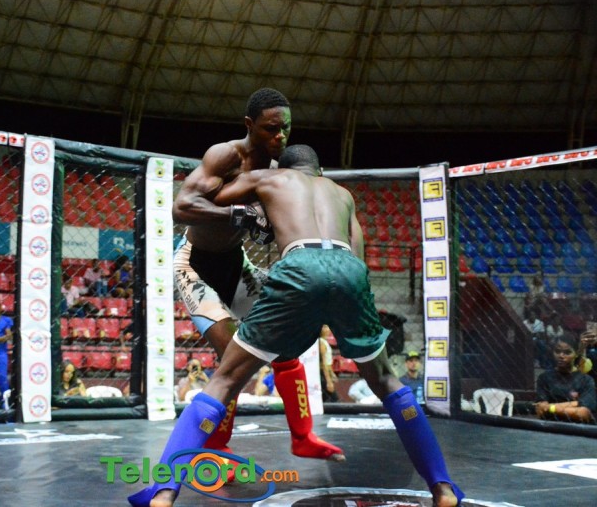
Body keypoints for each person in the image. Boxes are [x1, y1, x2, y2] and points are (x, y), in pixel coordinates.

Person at [130, 144, 463, 507]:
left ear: (285, 169)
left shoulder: (270, 179)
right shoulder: (343, 194)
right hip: (346, 271)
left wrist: (251, 214)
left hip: (298, 267)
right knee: (387, 381)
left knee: (225, 379)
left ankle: (164, 491)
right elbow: (358, 256)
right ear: (320, 172)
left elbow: (203, 200)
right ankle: (442, 487)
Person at [171, 88, 342, 463]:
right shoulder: (226, 155)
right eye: (271, 129)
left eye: (286, 128)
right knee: (232, 357)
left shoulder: (282, 170)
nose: (280, 136)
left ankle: (303, 436)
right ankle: (215, 448)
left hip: (237, 264)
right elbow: (181, 207)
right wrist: (238, 216)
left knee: (286, 342)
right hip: (195, 265)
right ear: (249, 125)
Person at [534, 333, 596, 424]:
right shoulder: (544, 378)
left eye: (567, 352)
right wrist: (576, 404)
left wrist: (551, 408)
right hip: (551, 427)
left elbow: (583, 413)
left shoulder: (586, 380)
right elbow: (541, 409)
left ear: (576, 354)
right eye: (557, 351)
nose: (561, 356)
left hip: (579, 428)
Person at [318, 325, 339, 402]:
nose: (327, 329)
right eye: (324, 327)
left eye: (328, 327)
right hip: (323, 374)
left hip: (326, 372)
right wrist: (329, 381)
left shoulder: (325, 341)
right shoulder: (321, 342)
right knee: (334, 399)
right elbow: (324, 363)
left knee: (325, 398)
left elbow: (328, 361)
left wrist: (332, 373)